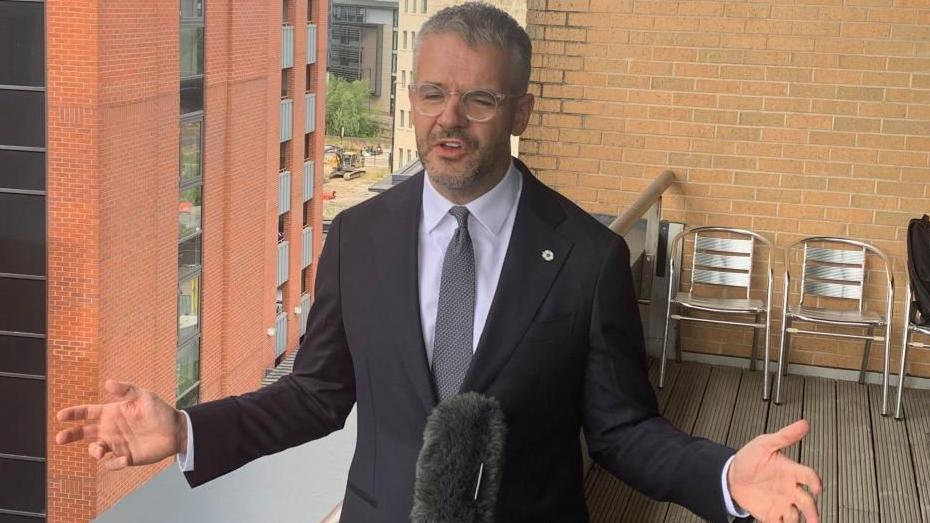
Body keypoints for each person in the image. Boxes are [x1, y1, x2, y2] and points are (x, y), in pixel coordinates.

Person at [56, 4, 821, 522]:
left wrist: (724, 477)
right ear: (411, 97)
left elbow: (620, 431)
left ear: (521, 111)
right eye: (431, 93)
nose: (448, 118)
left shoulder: (589, 258)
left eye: (479, 100)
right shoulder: (359, 237)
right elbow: (317, 395)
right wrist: (187, 428)